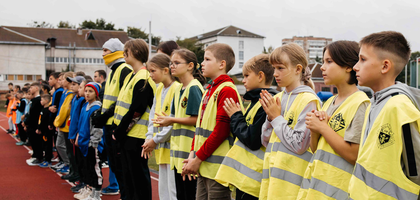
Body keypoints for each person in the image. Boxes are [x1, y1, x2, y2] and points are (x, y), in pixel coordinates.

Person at [348, 31, 420, 199]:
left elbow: (415, 171)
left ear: (385, 66)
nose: (355, 67)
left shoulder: (399, 107)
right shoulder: (375, 103)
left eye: (363, 60)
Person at [298, 41, 370, 199]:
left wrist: (323, 128)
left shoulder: (361, 103)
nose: (323, 67)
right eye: (323, 62)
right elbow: (315, 148)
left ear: (348, 66)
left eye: (329, 61)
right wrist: (314, 128)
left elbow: (354, 155)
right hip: (317, 190)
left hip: (339, 193)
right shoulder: (330, 102)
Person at [258, 43, 320, 200]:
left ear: (298, 69)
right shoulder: (277, 98)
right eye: (274, 68)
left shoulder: (308, 99)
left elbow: (300, 145)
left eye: (280, 68)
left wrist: (276, 118)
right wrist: (269, 117)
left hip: (292, 187)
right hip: (273, 180)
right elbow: (266, 141)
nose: (275, 73)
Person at [181, 43, 242, 199]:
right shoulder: (209, 89)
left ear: (222, 64)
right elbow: (200, 127)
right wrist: (192, 154)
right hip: (203, 164)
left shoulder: (227, 90)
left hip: (217, 169)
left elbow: (221, 131)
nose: (202, 63)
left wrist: (198, 158)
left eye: (207, 59)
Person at [214, 54, 277, 200]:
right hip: (245, 179)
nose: (243, 80)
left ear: (260, 76)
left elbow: (253, 139)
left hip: (254, 181)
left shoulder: (267, 102)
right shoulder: (256, 100)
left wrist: (236, 116)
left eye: (247, 75)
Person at [150, 49, 205, 200]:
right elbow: (175, 116)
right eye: (171, 63)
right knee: (181, 195)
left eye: (176, 63)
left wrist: (171, 120)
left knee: (188, 195)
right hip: (177, 156)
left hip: (189, 155)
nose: (172, 66)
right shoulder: (179, 89)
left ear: (190, 66)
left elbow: (197, 119)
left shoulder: (193, 87)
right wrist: (166, 119)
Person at [112, 39, 156, 200]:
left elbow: (137, 110)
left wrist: (120, 131)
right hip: (128, 135)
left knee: (138, 178)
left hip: (136, 136)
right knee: (129, 177)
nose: (124, 54)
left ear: (136, 53)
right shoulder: (133, 75)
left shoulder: (143, 77)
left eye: (126, 51)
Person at [93, 38, 132, 198]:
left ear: (116, 51)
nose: (103, 54)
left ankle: (125, 195)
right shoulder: (112, 72)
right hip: (109, 125)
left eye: (106, 50)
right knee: (115, 166)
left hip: (117, 126)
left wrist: (106, 115)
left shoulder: (124, 70)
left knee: (121, 168)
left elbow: (124, 98)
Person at [141, 53, 181, 200]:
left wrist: (155, 140)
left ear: (166, 70)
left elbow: (173, 122)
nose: (150, 75)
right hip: (161, 148)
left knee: (173, 191)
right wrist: (149, 138)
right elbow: (153, 117)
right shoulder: (158, 89)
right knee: (163, 190)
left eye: (153, 71)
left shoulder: (177, 88)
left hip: (173, 149)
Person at [73, 82, 104, 200]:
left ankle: (97, 195)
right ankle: (91, 192)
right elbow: (81, 125)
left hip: (92, 144)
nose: (87, 94)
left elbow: (97, 128)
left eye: (90, 91)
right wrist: (79, 137)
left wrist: (93, 143)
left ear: (96, 94)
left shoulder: (96, 108)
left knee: (95, 169)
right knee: (88, 168)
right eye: (86, 91)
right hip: (84, 143)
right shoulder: (85, 106)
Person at [62, 76, 87, 183]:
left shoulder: (81, 100)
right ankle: (74, 172)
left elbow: (79, 119)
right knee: (72, 155)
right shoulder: (75, 98)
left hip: (77, 133)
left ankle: (79, 176)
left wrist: (75, 134)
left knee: (79, 158)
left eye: (75, 84)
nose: (71, 86)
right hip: (72, 131)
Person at [54, 72, 75, 174]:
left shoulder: (70, 94)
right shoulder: (65, 93)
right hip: (61, 124)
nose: (60, 81)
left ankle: (69, 165)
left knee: (65, 147)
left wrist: (57, 122)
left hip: (65, 125)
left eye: (62, 79)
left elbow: (65, 111)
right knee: (61, 146)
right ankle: (67, 164)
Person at [48, 72, 65, 170]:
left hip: (59, 122)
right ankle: (61, 160)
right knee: (58, 143)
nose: (49, 81)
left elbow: (60, 108)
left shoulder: (60, 92)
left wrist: (52, 122)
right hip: (57, 121)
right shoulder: (58, 91)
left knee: (61, 144)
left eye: (51, 79)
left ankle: (64, 162)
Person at [25, 82, 44, 166]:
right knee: (33, 141)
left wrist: (26, 122)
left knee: (37, 141)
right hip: (32, 125)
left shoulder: (38, 100)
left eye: (31, 88)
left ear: (36, 88)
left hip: (35, 125)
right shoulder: (34, 100)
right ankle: (36, 156)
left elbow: (33, 114)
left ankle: (39, 157)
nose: (30, 89)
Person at [37, 94, 54, 168]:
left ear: (46, 101)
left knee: (48, 145)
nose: (40, 101)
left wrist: (40, 128)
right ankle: (46, 158)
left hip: (47, 131)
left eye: (42, 100)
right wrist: (39, 128)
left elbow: (45, 121)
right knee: (44, 145)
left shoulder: (48, 110)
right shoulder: (42, 109)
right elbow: (40, 120)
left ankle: (48, 160)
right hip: (43, 131)